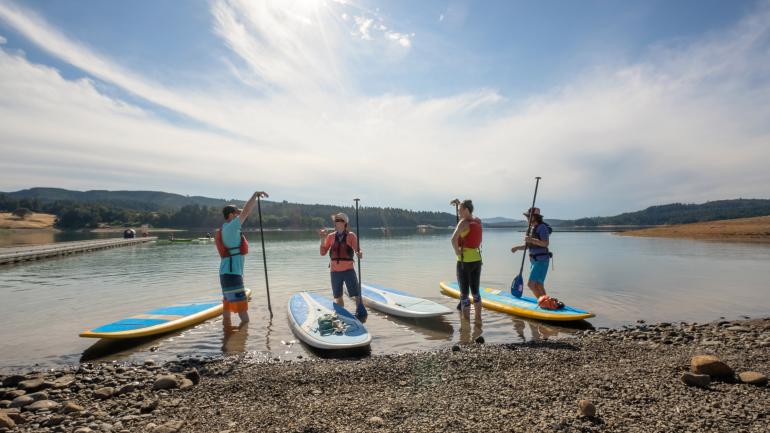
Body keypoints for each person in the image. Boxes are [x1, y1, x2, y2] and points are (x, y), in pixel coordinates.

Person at [216, 191, 268, 326]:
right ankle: (244, 336)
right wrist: (254, 195)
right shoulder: (232, 226)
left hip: (225, 273)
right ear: (231, 215)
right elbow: (247, 211)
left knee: (227, 305)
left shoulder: (224, 228)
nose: (239, 215)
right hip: (233, 274)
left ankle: (226, 333)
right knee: (243, 312)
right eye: (236, 213)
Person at [510, 207, 563, 310]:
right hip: (535, 261)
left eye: (528, 216)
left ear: (534, 217)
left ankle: (544, 303)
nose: (527, 218)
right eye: (527, 217)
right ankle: (548, 303)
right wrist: (517, 248)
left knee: (531, 284)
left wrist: (531, 239)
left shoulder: (542, 227)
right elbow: (529, 246)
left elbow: (545, 243)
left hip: (541, 260)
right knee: (538, 285)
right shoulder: (531, 229)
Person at [319, 212, 365, 318]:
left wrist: (359, 253)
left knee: (356, 294)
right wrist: (322, 239)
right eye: (336, 220)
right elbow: (323, 253)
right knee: (338, 297)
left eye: (340, 220)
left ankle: (361, 314)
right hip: (335, 271)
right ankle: (342, 316)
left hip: (348, 270)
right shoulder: (330, 237)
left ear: (345, 223)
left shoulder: (351, 236)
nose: (337, 222)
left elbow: (358, 250)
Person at [450, 199, 483, 319]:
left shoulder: (463, 223)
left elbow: (453, 239)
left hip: (464, 262)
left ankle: (466, 326)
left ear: (466, 210)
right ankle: (478, 321)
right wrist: (459, 204)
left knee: (464, 294)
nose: (459, 214)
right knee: (476, 292)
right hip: (477, 261)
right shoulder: (477, 221)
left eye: (460, 211)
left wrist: (457, 251)